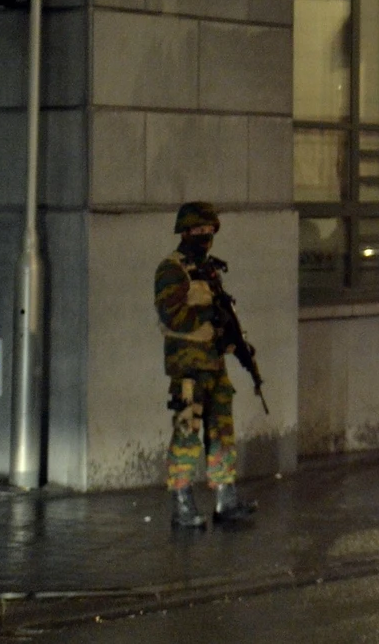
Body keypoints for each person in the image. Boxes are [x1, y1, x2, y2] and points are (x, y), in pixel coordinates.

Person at [156, 202, 257, 529]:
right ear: (184, 232)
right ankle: (182, 502)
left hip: (214, 365)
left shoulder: (210, 271)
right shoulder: (172, 270)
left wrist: (233, 341)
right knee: (187, 432)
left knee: (222, 432)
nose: (205, 237)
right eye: (198, 231)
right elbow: (172, 316)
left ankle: (225, 498)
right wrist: (207, 315)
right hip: (188, 369)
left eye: (209, 231)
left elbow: (221, 317)